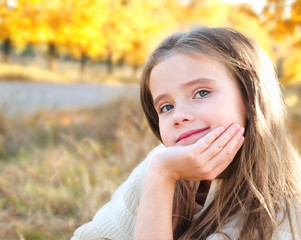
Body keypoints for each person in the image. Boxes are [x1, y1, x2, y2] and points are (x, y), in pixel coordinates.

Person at [71, 26, 301, 240]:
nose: (179, 116)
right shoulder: (162, 161)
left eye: (201, 93)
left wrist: (162, 177)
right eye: (166, 107)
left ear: (251, 97)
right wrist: (161, 178)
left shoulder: (282, 210)